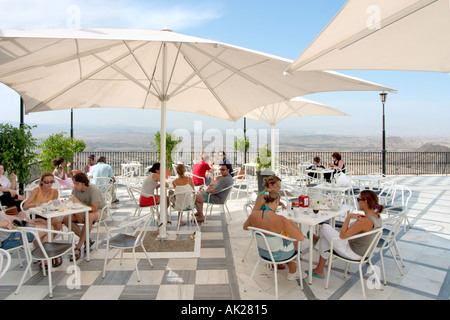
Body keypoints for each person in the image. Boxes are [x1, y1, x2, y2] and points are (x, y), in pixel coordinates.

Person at [308, 190, 383, 279]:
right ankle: (319, 270)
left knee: (324, 226)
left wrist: (349, 216)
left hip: (353, 252)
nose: (357, 202)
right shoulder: (377, 216)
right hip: (363, 251)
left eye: (358, 199)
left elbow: (342, 235)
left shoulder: (365, 221)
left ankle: (317, 242)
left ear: (365, 202)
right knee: (327, 239)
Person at [244, 190, 305, 281]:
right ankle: (293, 272)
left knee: (281, 237)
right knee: (294, 240)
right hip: (278, 255)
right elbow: (301, 237)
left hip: (263, 253)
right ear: (277, 200)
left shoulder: (254, 214)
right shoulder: (280, 219)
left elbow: (245, 227)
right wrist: (292, 223)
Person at [62, 172, 105, 261]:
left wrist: (79, 203)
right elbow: (73, 204)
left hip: (99, 211)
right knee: (66, 218)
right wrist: (77, 215)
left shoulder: (93, 190)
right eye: (73, 183)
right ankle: (86, 240)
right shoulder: (75, 191)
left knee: (89, 217)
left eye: (76, 183)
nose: (75, 186)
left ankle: (78, 247)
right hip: (82, 211)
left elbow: (94, 209)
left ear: (83, 183)